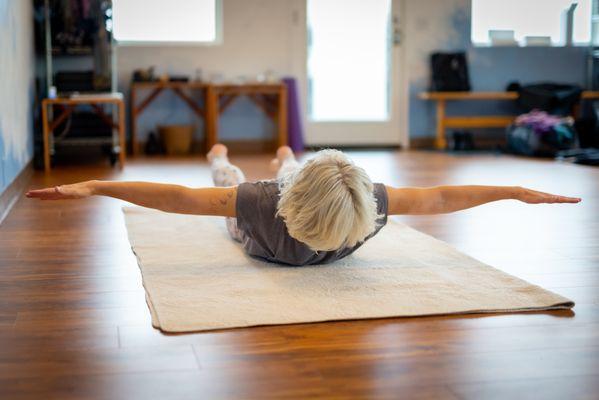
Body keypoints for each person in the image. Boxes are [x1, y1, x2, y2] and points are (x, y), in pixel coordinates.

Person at [26, 144, 581, 266]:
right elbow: (178, 198)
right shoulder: (258, 204)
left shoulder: (372, 201)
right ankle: (232, 153)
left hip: (306, 188)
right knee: (230, 177)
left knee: (297, 172)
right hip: (264, 216)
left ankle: (292, 158)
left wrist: (509, 190)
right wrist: (98, 186)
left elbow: (438, 196)